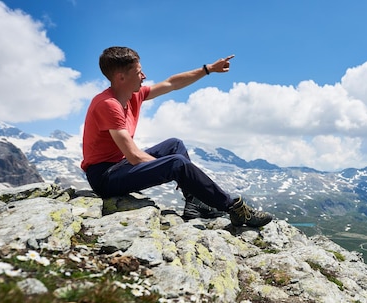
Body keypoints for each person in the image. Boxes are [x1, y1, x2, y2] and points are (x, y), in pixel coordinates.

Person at [81, 46, 272, 227]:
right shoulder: (108, 104)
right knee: (177, 163)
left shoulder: (132, 96)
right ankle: (233, 208)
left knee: (174, 145)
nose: (144, 76)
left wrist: (209, 69)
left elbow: (171, 83)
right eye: (139, 72)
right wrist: (176, 170)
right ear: (121, 77)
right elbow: (134, 156)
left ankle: (195, 204)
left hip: (118, 167)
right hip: (105, 178)